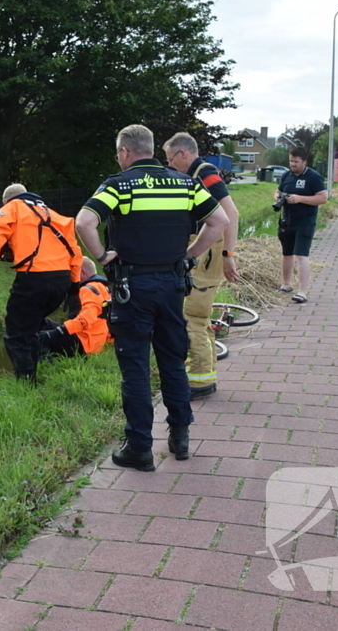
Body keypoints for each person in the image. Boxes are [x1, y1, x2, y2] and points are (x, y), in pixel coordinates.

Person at [76, 124, 228, 471]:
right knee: (173, 361)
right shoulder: (186, 183)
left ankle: (140, 448)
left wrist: (101, 257)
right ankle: (181, 438)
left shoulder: (119, 184)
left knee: (136, 369)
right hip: (173, 286)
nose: (119, 158)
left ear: (126, 152)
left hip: (133, 289)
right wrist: (190, 255)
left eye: (118, 153)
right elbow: (218, 220)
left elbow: (84, 222)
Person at [0, 183, 82, 381]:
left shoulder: (10, 209)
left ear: (7, 201)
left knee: (17, 333)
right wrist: (74, 288)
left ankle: (26, 382)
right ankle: (43, 360)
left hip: (33, 279)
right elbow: (75, 253)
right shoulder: (53, 215)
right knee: (33, 325)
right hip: (61, 280)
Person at [163, 132, 241, 399]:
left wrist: (228, 254)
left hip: (207, 255)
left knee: (191, 317)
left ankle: (198, 384)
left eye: (170, 158)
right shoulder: (196, 174)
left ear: (183, 153)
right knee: (200, 317)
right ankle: (204, 375)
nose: (169, 164)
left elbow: (230, 213)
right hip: (208, 253)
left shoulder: (204, 172)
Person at [275, 147, 328, 304]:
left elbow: (323, 198)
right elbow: (277, 191)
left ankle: (302, 291)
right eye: (291, 161)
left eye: (296, 162)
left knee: (301, 255)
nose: (293, 164)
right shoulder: (286, 175)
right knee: (287, 253)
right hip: (287, 220)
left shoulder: (313, 177)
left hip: (305, 221)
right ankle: (286, 284)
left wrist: (299, 199)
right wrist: (279, 196)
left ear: (305, 161)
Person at [37, 257, 111, 359]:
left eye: (73, 272)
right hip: (94, 343)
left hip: (83, 343)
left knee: (40, 331)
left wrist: (56, 332)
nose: (70, 277)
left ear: (82, 272)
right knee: (42, 322)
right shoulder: (102, 288)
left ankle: (45, 364)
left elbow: (86, 318)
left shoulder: (88, 289)